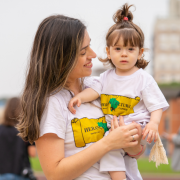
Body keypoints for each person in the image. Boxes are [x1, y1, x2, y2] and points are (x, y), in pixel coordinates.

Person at [16, 14, 146, 180]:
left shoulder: (100, 86)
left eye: (89, 45)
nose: (93, 54)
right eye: (83, 51)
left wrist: (133, 144)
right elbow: (54, 174)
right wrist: (108, 143)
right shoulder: (51, 103)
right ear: (62, 59)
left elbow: (129, 153)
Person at [68, 4, 169, 180]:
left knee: (110, 150)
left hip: (135, 128)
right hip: (113, 130)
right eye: (118, 49)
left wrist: (153, 124)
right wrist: (80, 97)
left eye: (130, 49)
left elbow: (156, 105)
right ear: (108, 51)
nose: (124, 54)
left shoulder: (143, 79)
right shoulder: (105, 77)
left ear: (140, 53)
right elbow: (94, 91)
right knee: (114, 153)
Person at [0, 97, 36, 180]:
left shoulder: (0, 130)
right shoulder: (25, 131)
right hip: (21, 173)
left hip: (2, 173)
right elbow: (33, 153)